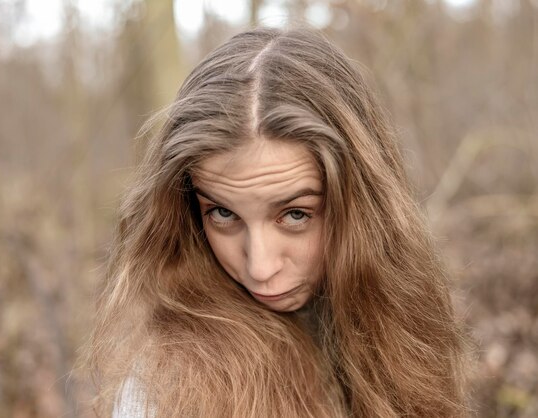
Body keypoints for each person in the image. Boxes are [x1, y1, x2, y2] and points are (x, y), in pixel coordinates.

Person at [86, 27, 468, 417]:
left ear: (360, 206)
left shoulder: (403, 329)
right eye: (223, 213)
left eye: (295, 215)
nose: (260, 267)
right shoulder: (167, 389)